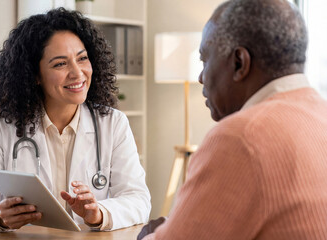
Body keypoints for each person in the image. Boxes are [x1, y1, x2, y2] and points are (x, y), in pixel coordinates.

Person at [138, 0, 327, 239]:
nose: (200, 77)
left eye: (205, 60)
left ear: (239, 63)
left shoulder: (241, 136)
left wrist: (151, 235)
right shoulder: (321, 115)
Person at [0, 8, 151, 231]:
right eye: (60, 64)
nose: (77, 73)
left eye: (82, 58)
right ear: (35, 75)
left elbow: (138, 200)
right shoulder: (1, 125)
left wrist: (98, 214)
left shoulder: (112, 123)